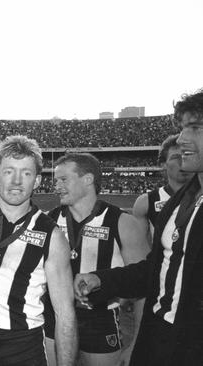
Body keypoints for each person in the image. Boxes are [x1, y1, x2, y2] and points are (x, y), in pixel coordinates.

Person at [75, 90, 203, 365]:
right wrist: (103, 279)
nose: (181, 139)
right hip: (159, 338)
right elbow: (157, 268)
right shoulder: (178, 202)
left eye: (195, 128)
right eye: (182, 129)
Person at [0, 135, 78, 366]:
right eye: (8, 171)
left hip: (22, 345)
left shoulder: (52, 236)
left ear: (36, 181)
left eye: (26, 173)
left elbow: (65, 315)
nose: (17, 181)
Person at [44, 153, 149, 366]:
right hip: (54, 317)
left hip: (100, 321)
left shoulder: (122, 223)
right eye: (56, 180)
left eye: (63, 179)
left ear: (88, 179)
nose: (56, 186)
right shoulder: (48, 221)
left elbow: (144, 287)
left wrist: (137, 343)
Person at [133, 134, 193, 244]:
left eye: (186, 155)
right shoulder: (145, 202)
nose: (182, 161)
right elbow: (141, 246)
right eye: (176, 157)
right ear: (163, 164)